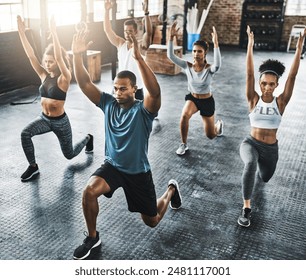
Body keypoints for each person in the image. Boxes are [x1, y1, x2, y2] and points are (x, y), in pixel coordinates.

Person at [71, 29, 182, 260]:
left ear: (134, 89)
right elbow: (83, 83)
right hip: (112, 167)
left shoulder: (144, 111)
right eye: (115, 88)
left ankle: (171, 190)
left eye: (123, 88)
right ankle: (92, 237)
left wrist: (139, 58)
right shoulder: (108, 103)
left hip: (137, 173)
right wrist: (77, 55)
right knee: (89, 191)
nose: (118, 92)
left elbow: (155, 91)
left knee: (151, 221)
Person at [238, 25, 306, 227]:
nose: (267, 87)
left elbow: (292, 76)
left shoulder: (281, 102)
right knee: (250, 163)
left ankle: (260, 167)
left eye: (271, 84)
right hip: (250, 143)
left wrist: (300, 46)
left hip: (270, 149)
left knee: (265, 177)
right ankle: (246, 208)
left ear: (277, 85)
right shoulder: (253, 99)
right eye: (264, 83)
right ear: (260, 84)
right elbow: (249, 74)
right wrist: (250, 45)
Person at [17, 15, 93, 182]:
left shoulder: (64, 78)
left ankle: (88, 138)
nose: (48, 64)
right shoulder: (43, 75)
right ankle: (33, 167)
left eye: (50, 61)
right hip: (44, 119)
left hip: (60, 122)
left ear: (57, 63)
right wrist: (21, 32)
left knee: (69, 155)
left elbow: (60, 57)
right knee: (25, 133)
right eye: (46, 61)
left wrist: (54, 32)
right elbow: (31, 56)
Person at [167, 22, 223, 156]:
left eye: (199, 51)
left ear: (205, 53)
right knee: (184, 115)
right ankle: (183, 144)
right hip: (192, 98)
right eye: (194, 51)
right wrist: (170, 38)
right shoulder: (187, 66)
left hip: (207, 101)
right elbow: (171, 56)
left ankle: (218, 127)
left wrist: (216, 44)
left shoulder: (209, 69)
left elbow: (218, 65)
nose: (196, 54)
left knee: (210, 135)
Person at [103, 0, 153, 100]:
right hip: (120, 88)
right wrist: (106, 10)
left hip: (136, 89)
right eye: (125, 31)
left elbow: (149, 33)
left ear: (136, 31)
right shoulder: (120, 43)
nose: (127, 33)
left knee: (136, 115)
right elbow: (108, 30)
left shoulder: (141, 46)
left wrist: (146, 13)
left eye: (130, 31)